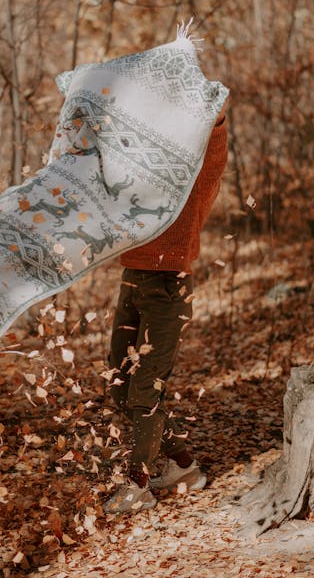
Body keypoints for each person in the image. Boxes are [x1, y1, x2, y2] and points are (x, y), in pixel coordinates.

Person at [104, 109, 228, 514]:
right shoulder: (143, 173)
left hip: (168, 286)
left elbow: (214, 162)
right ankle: (183, 466)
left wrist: (218, 121)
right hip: (132, 280)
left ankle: (137, 486)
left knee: (145, 389)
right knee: (120, 381)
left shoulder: (194, 182)